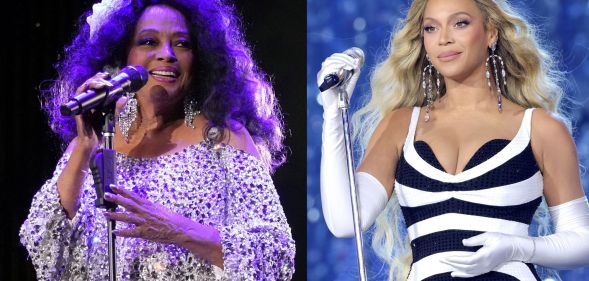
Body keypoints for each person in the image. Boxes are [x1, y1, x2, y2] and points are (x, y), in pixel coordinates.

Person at [19, 0, 295, 280]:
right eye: (149, 41)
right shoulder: (98, 139)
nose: (167, 54)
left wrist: (178, 230)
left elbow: (275, 251)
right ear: (121, 58)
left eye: (182, 44)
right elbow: (43, 245)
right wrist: (84, 147)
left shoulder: (224, 138)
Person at [318, 0, 589, 280]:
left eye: (460, 23)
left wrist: (517, 248)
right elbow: (345, 221)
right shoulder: (401, 126)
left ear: (491, 33)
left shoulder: (539, 128)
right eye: (431, 28)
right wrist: (333, 113)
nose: (444, 38)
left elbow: (583, 240)